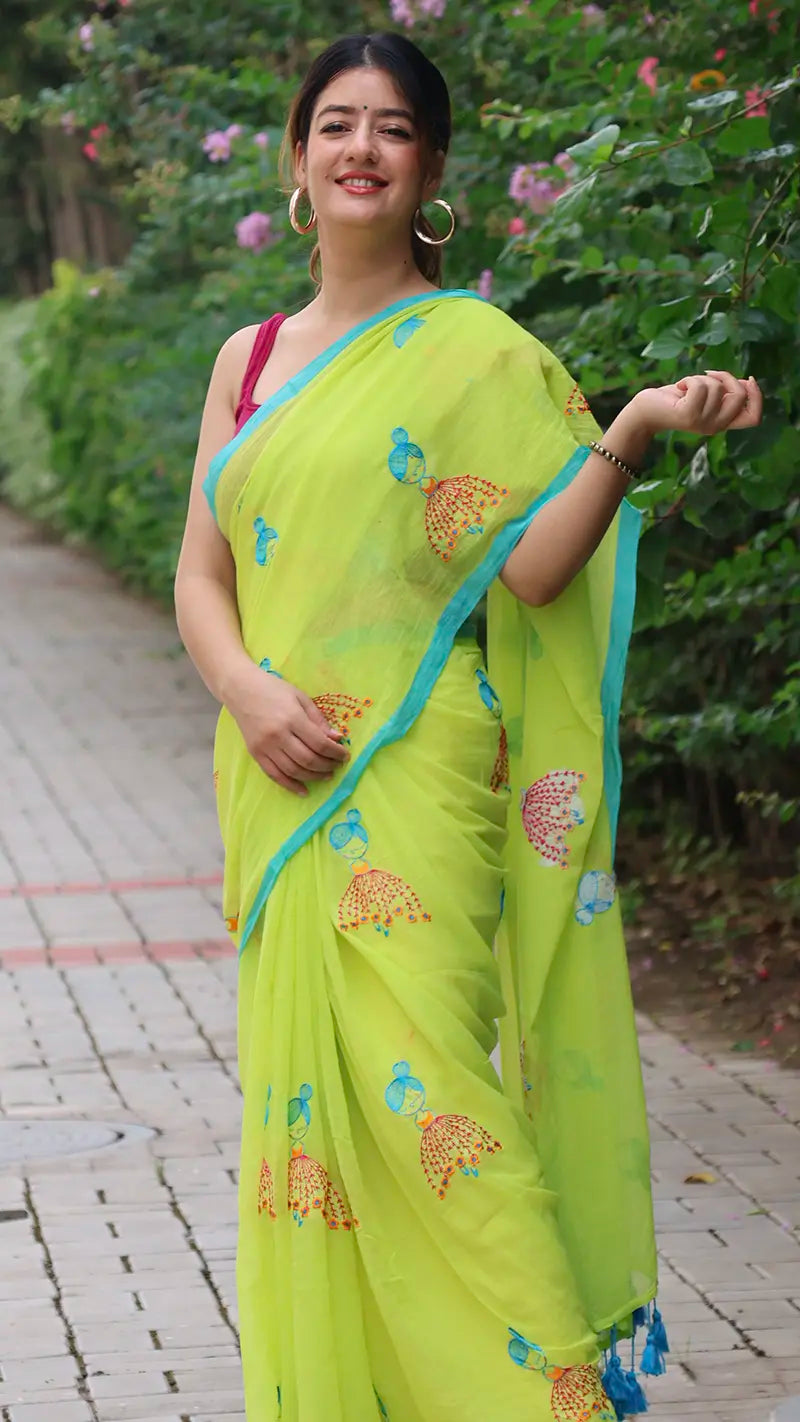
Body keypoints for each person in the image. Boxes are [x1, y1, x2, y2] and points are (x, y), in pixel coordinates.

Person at [174, 31, 762, 1422]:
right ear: (296, 164)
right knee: (320, 1115)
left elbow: (533, 571)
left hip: (424, 777)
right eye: (335, 126)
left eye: (391, 128)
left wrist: (626, 432)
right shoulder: (247, 359)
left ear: (430, 167)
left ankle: (549, 1397)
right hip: (276, 776)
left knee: (437, 1099)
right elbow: (202, 575)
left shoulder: (477, 354)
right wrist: (250, 691)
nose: (360, 147)